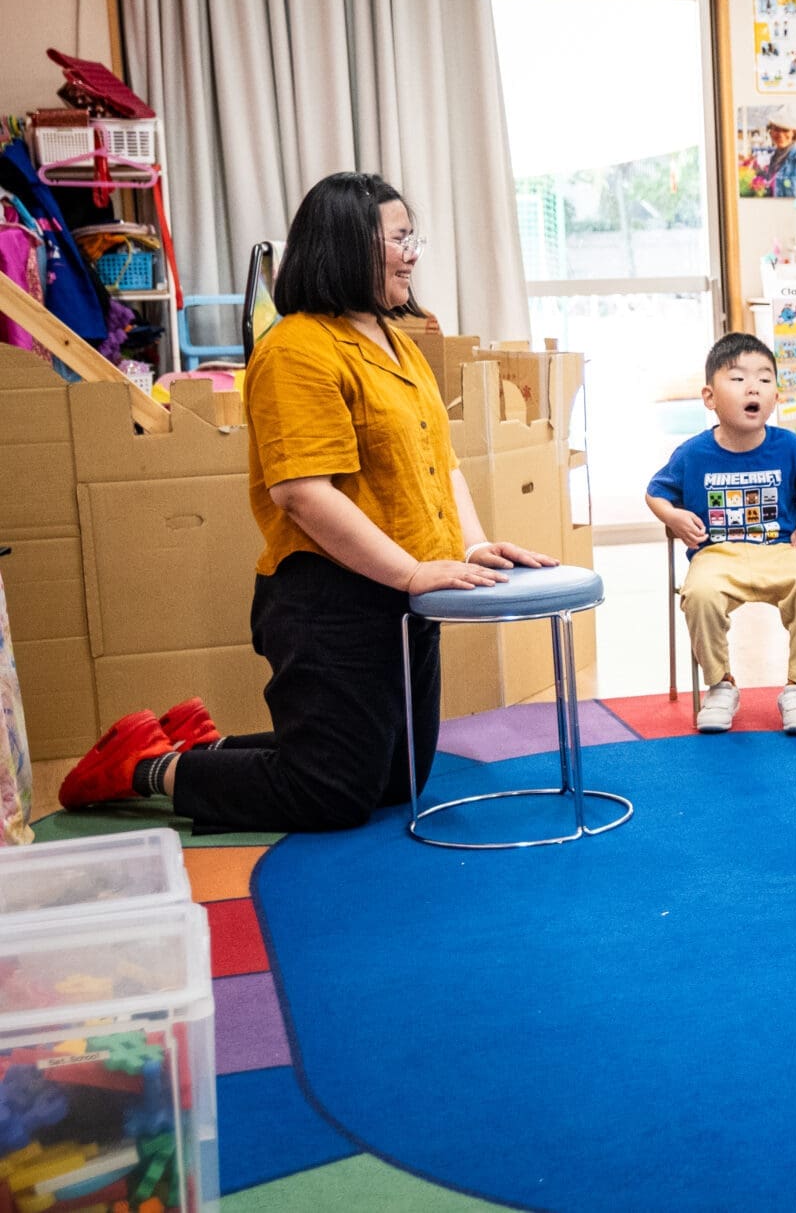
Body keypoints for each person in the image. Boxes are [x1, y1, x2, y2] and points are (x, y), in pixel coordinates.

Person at [58, 171, 557, 832]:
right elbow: (301, 492)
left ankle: (195, 744)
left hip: (403, 597)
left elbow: (444, 465)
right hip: (329, 599)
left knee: (395, 780)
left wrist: (468, 544)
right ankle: (145, 767)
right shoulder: (294, 349)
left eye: (415, 239)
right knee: (333, 794)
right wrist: (410, 570)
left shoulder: (399, 345)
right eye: (400, 238)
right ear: (348, 245)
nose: (412, 254)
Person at [646, 332, 796, 735]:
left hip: (780, 550)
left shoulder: (790, 446)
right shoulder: (692, 453)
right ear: (709, 397)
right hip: (717, 555)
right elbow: (655, 493)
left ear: (776, 397)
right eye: (738, 379)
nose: (753, 387)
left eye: (765, 380)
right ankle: (721, 685)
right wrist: (674, 517)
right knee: (699, 594)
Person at [760, 116, 796, 198]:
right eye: (776, 129)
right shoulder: (774, 159)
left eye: (785, 130)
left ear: (793, 133)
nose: (780, 134)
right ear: (771, 132)